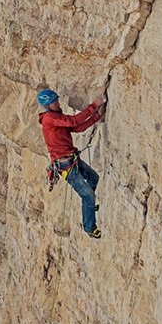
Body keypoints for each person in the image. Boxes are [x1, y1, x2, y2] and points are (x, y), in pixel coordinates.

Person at [37, 89, 107, 239]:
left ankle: (89, 204)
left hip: (71, 159)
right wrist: (94, 104)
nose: (58, 102)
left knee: (94, 179)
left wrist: (97, 116)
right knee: (88, 195)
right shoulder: (49, 118)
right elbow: (74, 121)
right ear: (47, 105)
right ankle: (89, 227)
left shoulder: (56, 116)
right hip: (65, 165)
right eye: (55, 101)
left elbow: (77, 128)